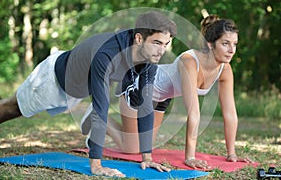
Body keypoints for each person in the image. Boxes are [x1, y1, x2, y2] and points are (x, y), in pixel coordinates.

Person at [0, 11, 177, 177]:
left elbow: (145, 105)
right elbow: (101, 108)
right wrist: (96, 165)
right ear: (139, 38)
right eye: (157, 43)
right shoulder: (107, 53)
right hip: (53, 81)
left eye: (166, 44)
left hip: (78, 89)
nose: (162, 50)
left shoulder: (148, 60)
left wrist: (147, 157)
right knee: (12, 108)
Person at [107, 15, 254, 170]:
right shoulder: (189, 61)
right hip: (139, 87)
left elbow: (230, 113)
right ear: (210, 44)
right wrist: (190, 157)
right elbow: (194, 111)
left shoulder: (225, 69)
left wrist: (232, 154)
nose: (232, 50)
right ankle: (97, 118)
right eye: (225, 44)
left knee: (146, 144)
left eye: (235, 44)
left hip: (161, 99)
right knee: (132, 149)